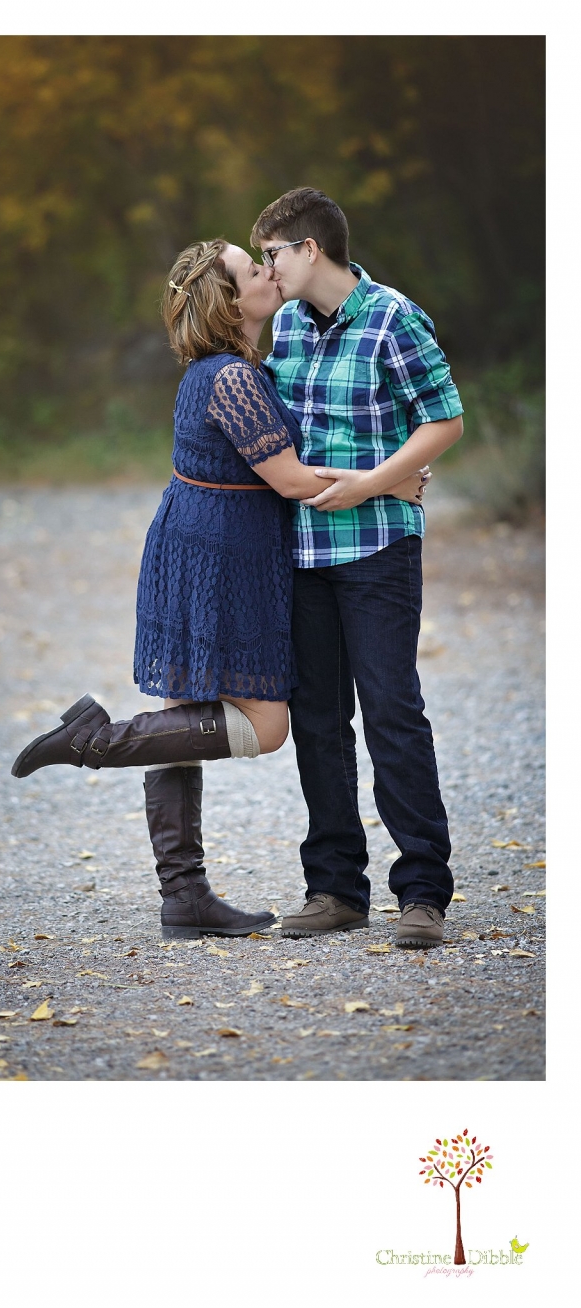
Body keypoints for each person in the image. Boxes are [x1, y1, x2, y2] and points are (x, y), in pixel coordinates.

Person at [11, 238, 428, 942]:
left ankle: (184, 896)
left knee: (185, 717)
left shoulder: (226, 370)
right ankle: (96, 740)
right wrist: (395, 478)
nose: (268, 272)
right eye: (252, 268)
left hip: (196, 542)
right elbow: (295, 482)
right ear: (231, 301)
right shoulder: (232, 378)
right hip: (222, 557)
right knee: (265, 726)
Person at [249, 187, 464, 948]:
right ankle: (336, 888)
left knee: (392, 710)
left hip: (377, 547)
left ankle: (423, 893)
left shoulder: (394, 318)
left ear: (309, 249)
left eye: (272, 254)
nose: (267, 270)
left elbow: (445, 416)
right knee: (317, 720)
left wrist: (380, 480)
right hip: (301, 553)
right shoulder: (284, 332)